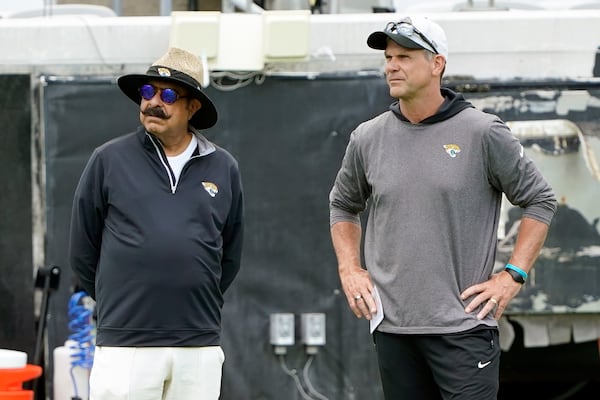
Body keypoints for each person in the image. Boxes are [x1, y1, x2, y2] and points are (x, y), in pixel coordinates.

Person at [328, 16, 557, 399]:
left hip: (463, 330)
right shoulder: (367, 137)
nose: (392, 66)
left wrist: (512, 275)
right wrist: (350, 269)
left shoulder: (483, 132)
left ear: (437, 64)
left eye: (405, 55)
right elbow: (342, 206)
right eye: (388, 57)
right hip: (392, 330)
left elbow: (540, 200)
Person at [69, 47, 244, 400]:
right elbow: (82, 251)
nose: (152, 103)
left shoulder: (224, 167)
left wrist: (192, 294)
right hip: (125, 343)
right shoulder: (108, 159)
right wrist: (118, 302)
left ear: (192, 107)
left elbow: (230, 254)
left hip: (198, 344)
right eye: (147, 92)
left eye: (167, 94)